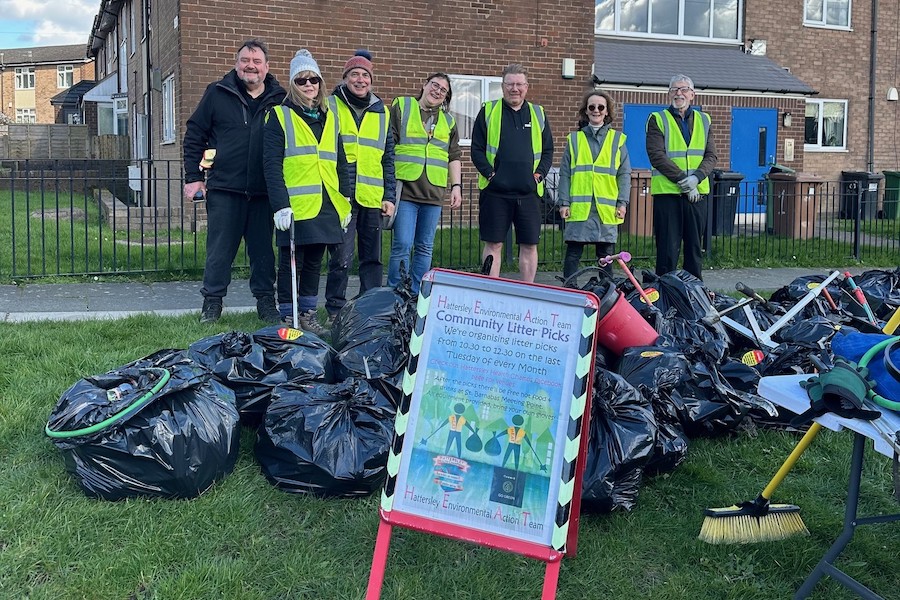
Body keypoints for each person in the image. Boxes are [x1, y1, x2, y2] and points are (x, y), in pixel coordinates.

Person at [183, 39, 286, 324]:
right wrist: (194, 178)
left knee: (264, 253)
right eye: (245, 60)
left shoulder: (280, 100)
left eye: (256, 61)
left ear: (266, 67)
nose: (250, 66)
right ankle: (212, 304)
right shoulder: (217, 93)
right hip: (225, 189)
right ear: (236, 64)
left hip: (265, 193)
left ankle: (266, 303)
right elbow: (195, 135)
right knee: (219, 251)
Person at [263, 49, 351, 337]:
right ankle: (289, 317)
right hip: (295, 205)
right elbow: (271, 164)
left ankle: (308, 314)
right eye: (301, 80)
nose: (309, 84)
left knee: (315, 261)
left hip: (326, 203)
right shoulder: (279, 116)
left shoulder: (330, 117)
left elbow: (340, 161)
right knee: (292, 261)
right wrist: (279, 205)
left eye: (313, 79)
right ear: (292, 85)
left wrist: (346, 199)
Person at [324, 50, 396, 321]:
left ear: (371, 80)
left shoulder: (382, 112)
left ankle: (371, 310)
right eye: (354, 74)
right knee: (341, 257)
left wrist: (389, 195)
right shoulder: (330, 105)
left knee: (373, 259)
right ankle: (335, 310)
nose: (360, 79)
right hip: (341, 194)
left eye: (365, 75)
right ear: (345, 78)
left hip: (372, 196)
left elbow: (388, 156)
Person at [471, 63, 553, 282]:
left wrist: (539, 176)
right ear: (502, 86)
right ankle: (490, 290)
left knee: (529, 245)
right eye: (510, 84)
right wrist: (490, 175)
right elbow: (476, 150)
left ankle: (528, 290)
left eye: (519, 84)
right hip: (495, 192)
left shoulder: (538, 113)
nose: (514, 89)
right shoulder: (488, 111)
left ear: (526, 87)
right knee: (493, 244)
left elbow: (548, 151)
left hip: (529, 193)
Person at [387, 73, 462, 294]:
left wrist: (456, 187)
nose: (437, 91)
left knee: (425, 247)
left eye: (443, 90)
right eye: (434, 85)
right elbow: (389, 144)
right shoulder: (402, 106)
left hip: (434, 192)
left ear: (446, 97)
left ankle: (418, 295)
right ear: (424, 85)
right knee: (402, 244)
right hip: (406, 191)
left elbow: (454, 155)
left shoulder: (449, 121)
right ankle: (396, 294)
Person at [646, 74, 717, 280]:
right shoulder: (657, 119)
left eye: (684, 89)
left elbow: (711, 155)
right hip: (668, 195)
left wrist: (696, 178)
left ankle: (694, 296)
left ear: (692, 94)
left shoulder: (705, 120)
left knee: (694, 250)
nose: (679, 93)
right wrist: (684, 181)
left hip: (697, 195)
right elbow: (656, 155)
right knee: (667, 252)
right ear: (669, 94)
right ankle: (666, 297)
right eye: (674, 89)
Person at [558, 89, 631, 282]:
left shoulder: (618, 140)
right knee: (573, 252)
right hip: (580, 207)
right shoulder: (574, 139)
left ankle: (606, 291)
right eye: (592, 107)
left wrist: (622, 202)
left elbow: (624, 174)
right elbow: (565, 173)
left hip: (605, 208)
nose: (596, 110)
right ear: (586, 111)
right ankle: (570, 288)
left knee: (605, 255)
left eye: (601, 107)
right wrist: (563, 202)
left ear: (607, 111)